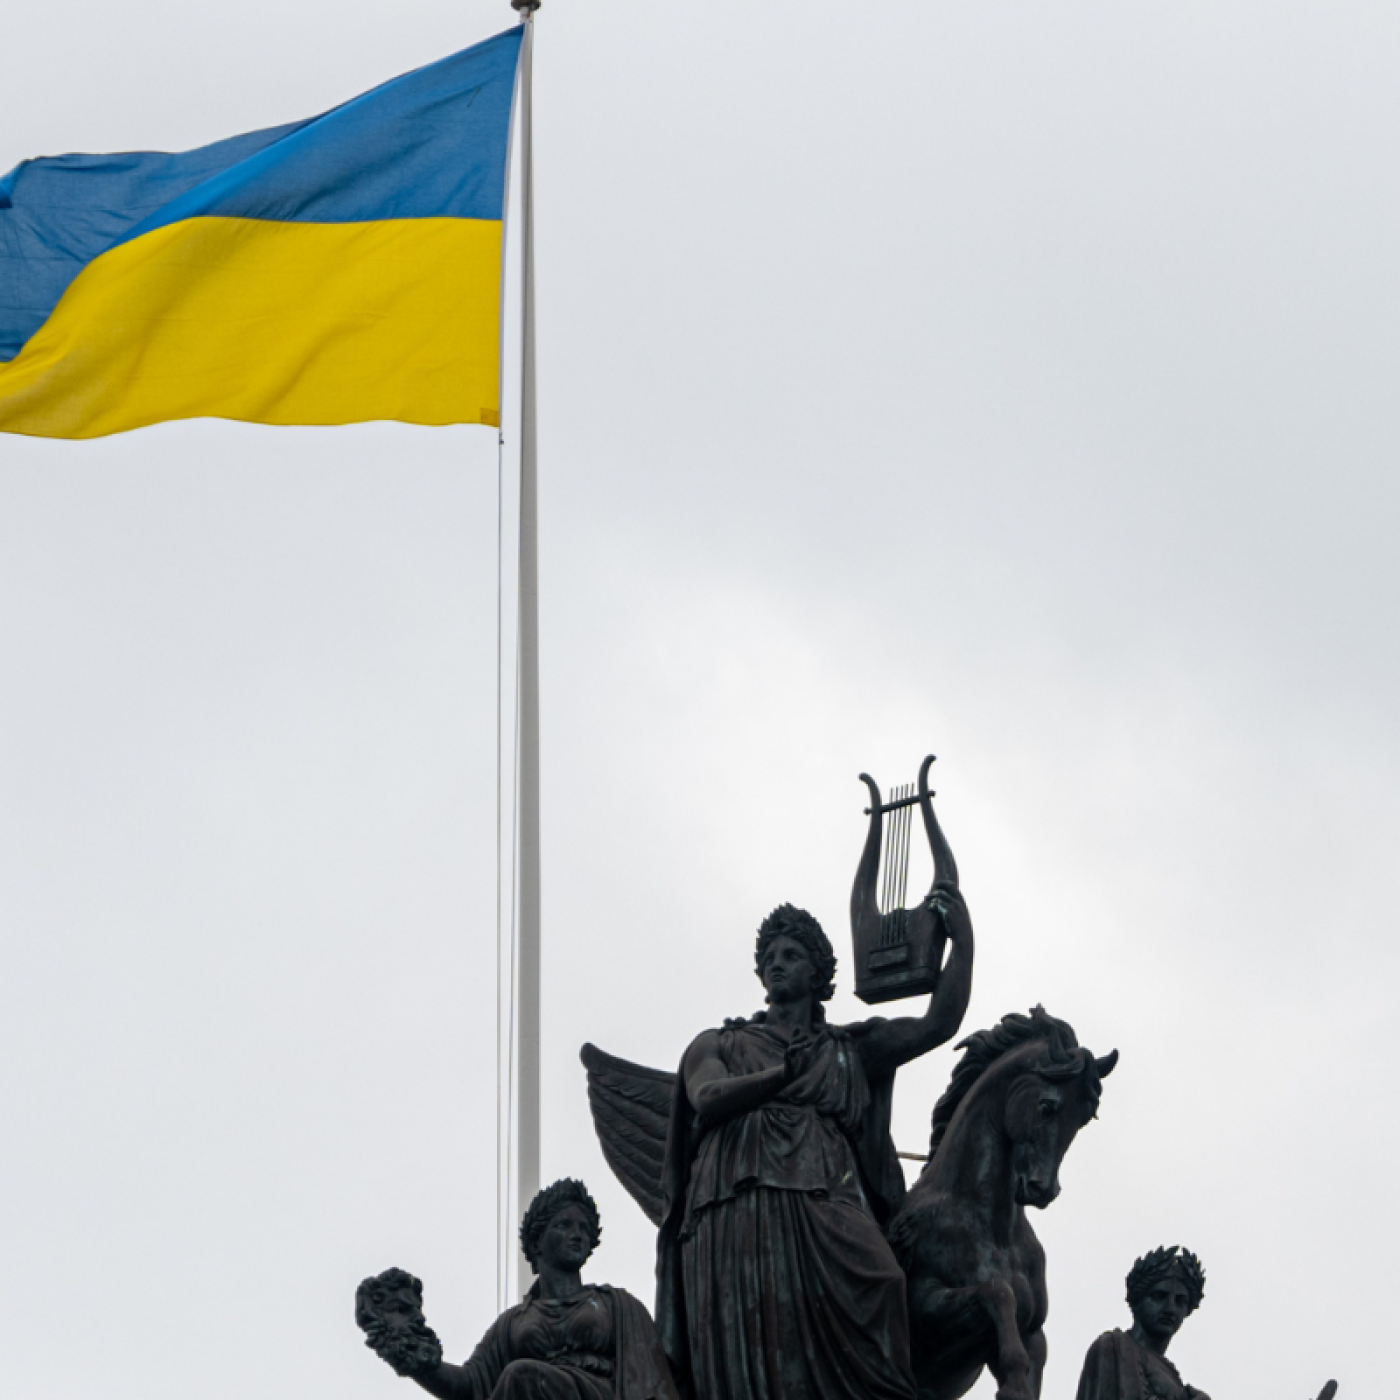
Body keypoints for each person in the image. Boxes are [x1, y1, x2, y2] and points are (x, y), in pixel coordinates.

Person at [655, 888, 975, 1400]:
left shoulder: (850, 1048)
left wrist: (963, 943)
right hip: (737, 1197)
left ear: (818, 972)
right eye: (768, 958)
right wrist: (781, 1075)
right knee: (763, 1318)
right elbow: (708, 1097)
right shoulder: (719, 1043)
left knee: (883, 1280)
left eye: (791, 955)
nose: (775, 966)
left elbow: (939, 1023)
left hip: (826, 1188)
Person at [358, 1179, 679, 1400]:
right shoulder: (513, 1323)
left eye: (584, 1228)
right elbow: (471, 1387)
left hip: (597, 1393)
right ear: (538, 1239)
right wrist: (413, 1354)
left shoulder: (616, 1305)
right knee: (519, 1378)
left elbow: (657, 1383)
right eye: (564, 1225)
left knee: (520, 1376)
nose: (577, 1234)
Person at [1075, 1248, 1337, 1400]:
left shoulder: (1175, 1379)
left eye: (1180, 1301)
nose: (1170, 1309)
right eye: (1159, 1296)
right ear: (1137, 1300)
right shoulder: (1114, 1347)